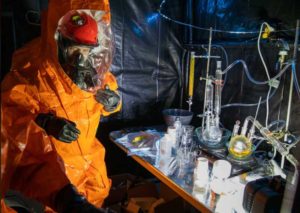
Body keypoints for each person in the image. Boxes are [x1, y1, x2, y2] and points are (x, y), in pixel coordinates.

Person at [1, 0, 120, 212]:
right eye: (76, 52)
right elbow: (12, 112)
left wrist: (113, 102)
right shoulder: (34, 68)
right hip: (57, 172)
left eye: (88, 52)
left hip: (90, 165)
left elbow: (108, 90)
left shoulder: (95, 74)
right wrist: (47, 122)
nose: (83, 60)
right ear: (62, 44)